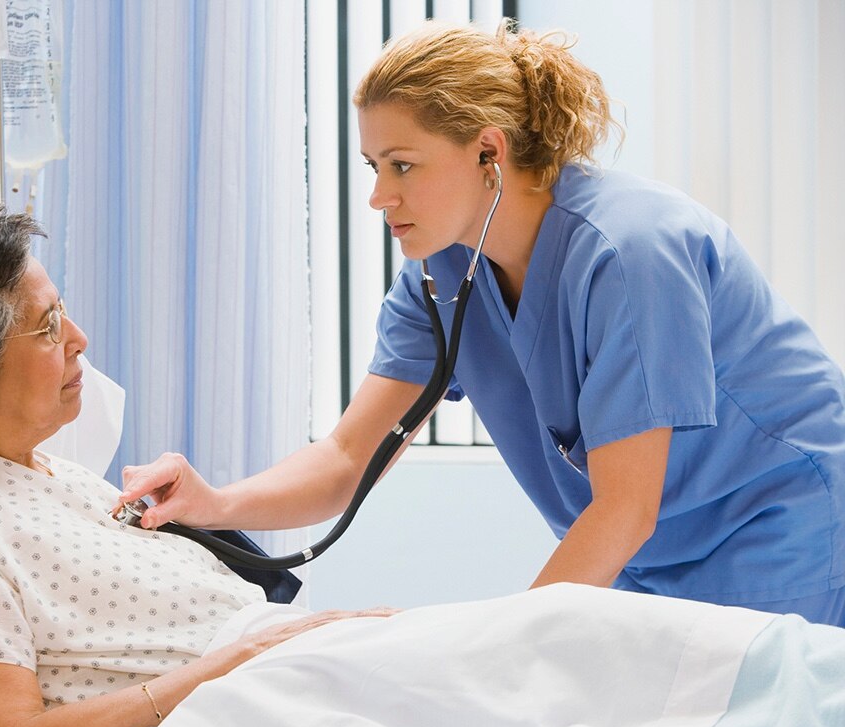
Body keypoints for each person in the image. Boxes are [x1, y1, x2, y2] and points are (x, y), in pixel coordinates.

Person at [119, 20, 845, 627]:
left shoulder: (632, 252)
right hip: (642, 555)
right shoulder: (441, 274)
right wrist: (217, 502)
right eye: (373, 164)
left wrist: (502, 654)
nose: (377, 196)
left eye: (402, 166)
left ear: (489, 153)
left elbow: (625, 510)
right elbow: (347, 458)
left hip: (777, 527)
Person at [0, 202, 396, 727]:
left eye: (63, 312)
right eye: (47, 326)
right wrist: (238, 662)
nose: (78, 339)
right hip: (251, 704)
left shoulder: (60, 475)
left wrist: (228, 539)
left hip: (294, 669)